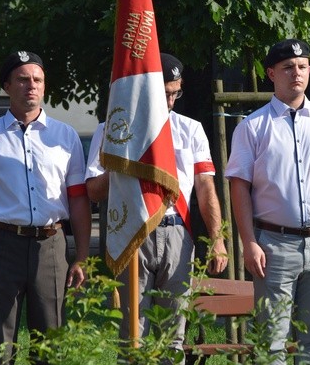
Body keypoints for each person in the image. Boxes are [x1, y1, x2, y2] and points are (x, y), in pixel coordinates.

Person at [0, 51, 92, 365]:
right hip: (1, 246)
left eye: (38, 80)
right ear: (6, 85)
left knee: (50, 342)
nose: (32, 86)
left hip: (52, 245)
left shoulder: (65, 137)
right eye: (23, 79)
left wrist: (81, 256)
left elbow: (79, 199)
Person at [85, 53, 228, 360]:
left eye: (176, 93)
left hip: (178, 233)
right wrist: (122, 161)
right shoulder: (112, 129)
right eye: (165, 94)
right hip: (132, 233)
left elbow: (205, 187)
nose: (172, 101)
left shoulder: (191, 129)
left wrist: (217, 238)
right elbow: (94, 191)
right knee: (132, 335)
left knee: (173, 336)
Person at [225, 39, 310, 365]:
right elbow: (239, 187)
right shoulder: (253, 127)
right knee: (272, 341)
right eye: (287, 68)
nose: (296, 73)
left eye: (302, 66)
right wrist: (249, 243)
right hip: (273, 246)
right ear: (271, 73)